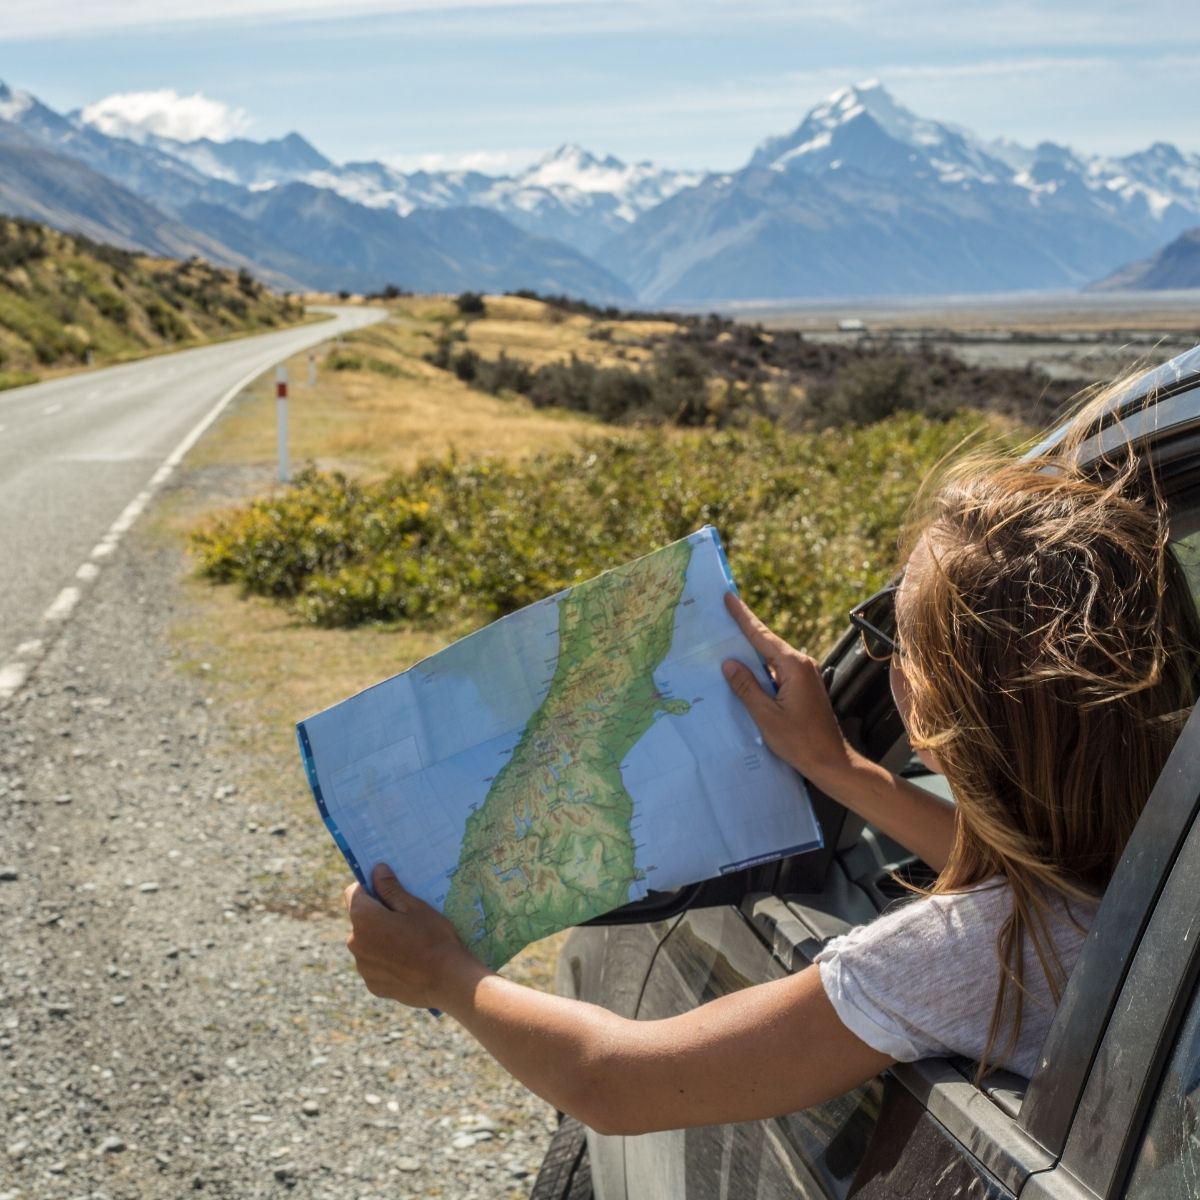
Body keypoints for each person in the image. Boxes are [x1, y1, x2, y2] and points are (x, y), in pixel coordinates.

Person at [342, 405, 1200, 1136]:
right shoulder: (1160, 867)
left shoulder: (975, 955)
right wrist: (838, 767)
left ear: (935, 713)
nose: (888, 661)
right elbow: (1052, 871)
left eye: (895, 641)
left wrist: (447, 977)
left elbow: (616, 1081)